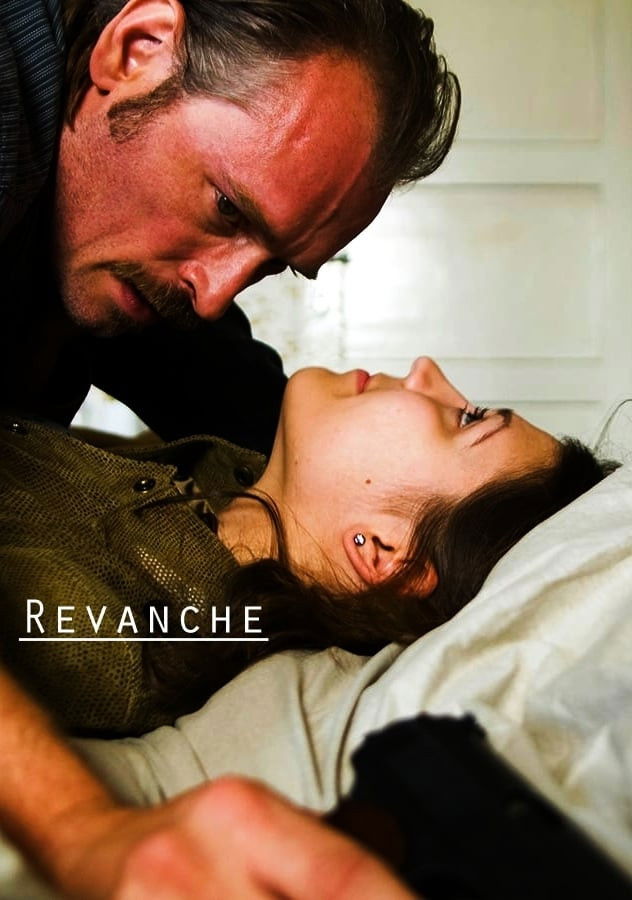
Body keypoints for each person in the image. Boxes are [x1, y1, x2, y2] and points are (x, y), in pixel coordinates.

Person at [1, 0, 460, 455]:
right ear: (137, 49)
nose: (213, 299)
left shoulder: (121, 248)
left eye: (274, 265)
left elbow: (243, 405)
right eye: (227, 209)